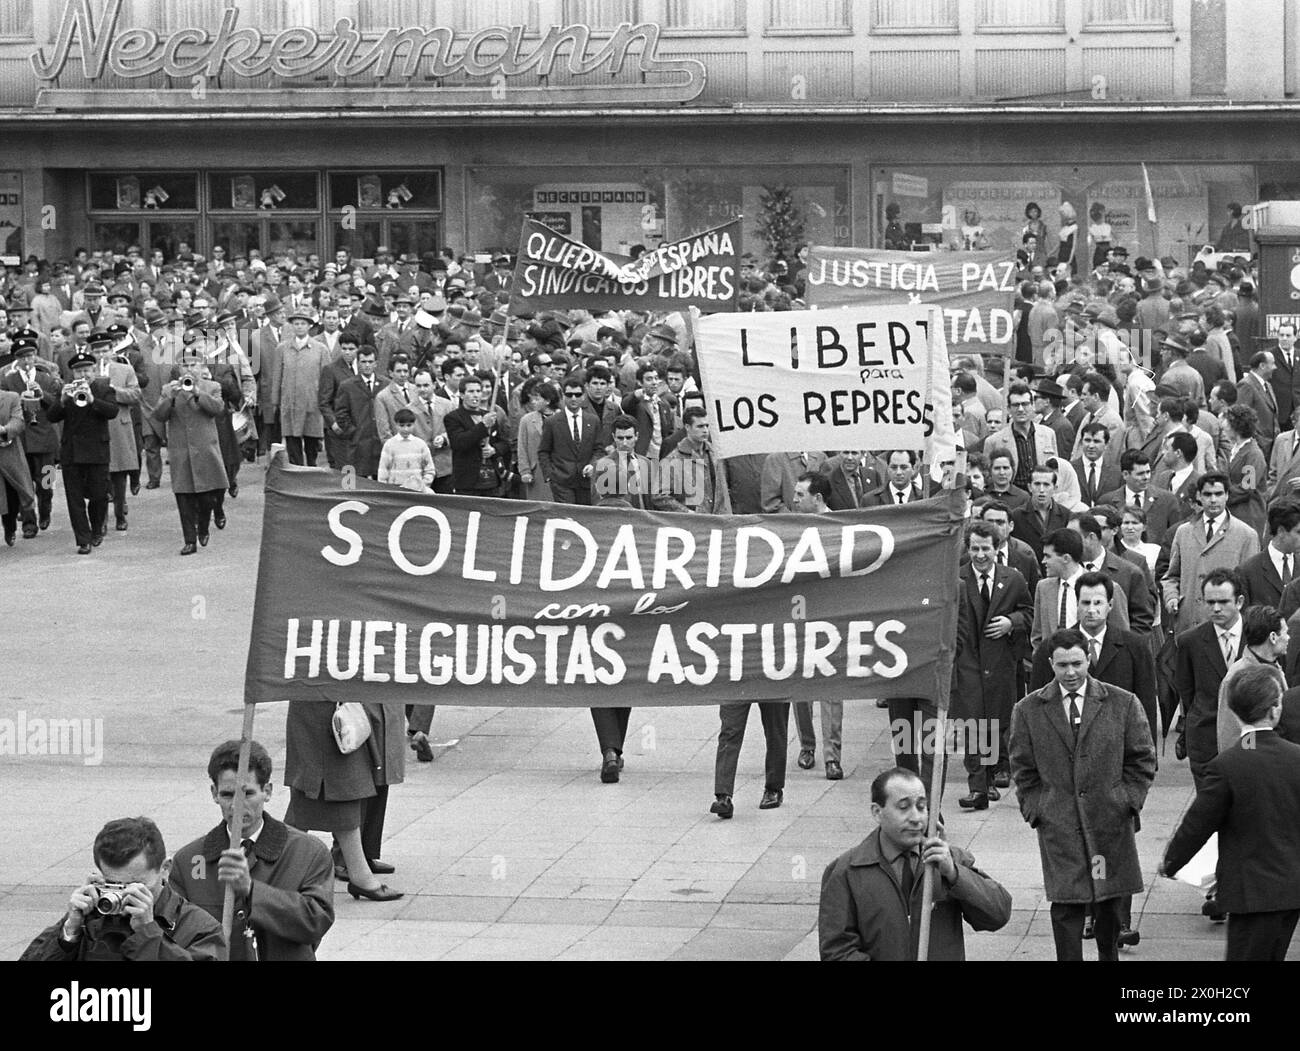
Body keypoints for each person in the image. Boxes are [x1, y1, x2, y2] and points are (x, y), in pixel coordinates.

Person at [1010, 628, 1156, 962]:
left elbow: (1143, 759)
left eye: (1077, 663)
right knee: (1065, 907)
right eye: (1062, 665)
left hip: (1107, 824)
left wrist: (1126, 801)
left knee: (1106, 903)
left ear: (1088, 658)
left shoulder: (1122, 703)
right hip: (1059, 826)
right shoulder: (1029, 710)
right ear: (1050, 664)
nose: (1071, 672)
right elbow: (1022, 767)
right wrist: (1037, 809)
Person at [1161, 663, 1300, 961]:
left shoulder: (1228, 765)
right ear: (1275, 710)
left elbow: (1197, 824)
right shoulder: (1296, 758)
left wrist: (1171, 862)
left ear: (1234, 713)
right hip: (1291, 889)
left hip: (1249, 892)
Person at [818, 767, 1012, 961]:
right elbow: (837, 951)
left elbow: (998, 914)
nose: (915, 818)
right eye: (903, 807)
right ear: (877, 812)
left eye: (921, 806)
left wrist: (954, 874)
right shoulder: (847, 872)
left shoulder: (949, 861)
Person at [169, 739, 335, 961]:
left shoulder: (307, 852)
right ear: (214, 793)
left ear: (267, 791)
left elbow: (316, 921)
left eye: (247, 794)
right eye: (227, 795)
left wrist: (251, 890)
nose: (236, 805)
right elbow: (175, 935)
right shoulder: (189, 860)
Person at [21, 816, 227, 961]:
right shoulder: (89, 920)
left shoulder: (200, 928)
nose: (123, 897)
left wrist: (148, 933)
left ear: (165, 869)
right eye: (112, 884)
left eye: (136, 886)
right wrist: (68, 933)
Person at [283, 700, 402, 903]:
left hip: (336, 700)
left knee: (338, 788)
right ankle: (274, 861)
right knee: (332, 787)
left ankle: (275, 862)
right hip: (324, 703)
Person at [952, 522, 1032, 811]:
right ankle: (978, 787)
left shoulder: (1013, 579)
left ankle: (991, 775)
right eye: (974, 548)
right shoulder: (957, 578)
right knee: (973, 726)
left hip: (1000, 665)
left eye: (986, 548)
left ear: (997, 549)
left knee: (996, 726)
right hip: (968, 664)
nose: (980, 555)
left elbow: (1028, 611)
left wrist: (1013, 622)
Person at [790, 472, 846, 780]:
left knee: (831, 687)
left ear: (818, 499)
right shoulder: (791, 528)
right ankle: (807, 744)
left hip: (832, 614)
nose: (795, 500)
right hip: (799, 612)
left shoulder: (840, 529)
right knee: (800, 683)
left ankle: (832, 756)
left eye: (800, 495)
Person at [1162, 472, 1261, 634]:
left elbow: (1251, 586)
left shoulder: (1246, 535)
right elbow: (1171, 576)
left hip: (1227, 627)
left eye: (1218, 494)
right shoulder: (1183, 532)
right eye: (1207, 494)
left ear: (1227, 495)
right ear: (1199, 496)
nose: (1213, 500)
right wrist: (1172, 597)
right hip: (1188, 625)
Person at [153, 346, 228, 555]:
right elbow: (159, 415)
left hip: (205, 448)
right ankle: (190, 539)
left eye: (193, 364)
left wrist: (197, 392)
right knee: (184, 496)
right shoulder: (169, 388)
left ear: (201, 365)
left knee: (207, 497)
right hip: (180, 450)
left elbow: (217, 409)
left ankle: (203, 526)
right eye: (184, 365)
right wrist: (171, 397)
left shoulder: (212, 386)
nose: (188, 369)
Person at [46, 348, 118, 553]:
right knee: (74, 498)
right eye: (79, 372)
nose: (83, 375)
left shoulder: (103, 387)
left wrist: (92, 400)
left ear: (94, 370)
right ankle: (83, 539)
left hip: (97, 450)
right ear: (72, 374)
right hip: (72, 452)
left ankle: (96, 530)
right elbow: (52, 417)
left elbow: (112, 412)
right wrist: (61, 400)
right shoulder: (67, 391)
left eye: (87, 370)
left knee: (98, 495)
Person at [1031, 528, 1130, 651]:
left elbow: (1122, 636)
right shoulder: (1043, 587)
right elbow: (1037, 636)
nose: (1043, 561)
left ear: (1066, 558)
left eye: (1047, 556)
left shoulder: (1107, 587)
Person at [1, 335, 58, 534]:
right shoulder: (8, 380)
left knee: (46, 484)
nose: (27, 361)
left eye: (31, 356)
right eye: (23, 357)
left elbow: (57, 407)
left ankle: (46, 509)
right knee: (24, 484)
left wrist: (41, 392)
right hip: (22, 441)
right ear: (17, 359)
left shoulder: (46, 378)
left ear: (35, 356)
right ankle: (28, 523)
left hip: (46, 440)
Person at [89, 330, 141, 532]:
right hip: (96, 426)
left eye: (105, 350)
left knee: (119, 476)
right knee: (100, 478)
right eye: (97, 351)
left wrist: (112, 390)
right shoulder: (87, 371)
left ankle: (120, 513)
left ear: (112, 350)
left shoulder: (124, 369)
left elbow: (135, 394)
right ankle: (101, 519)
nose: (102, 355)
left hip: (120, 426)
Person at [273, 307, 331, 467]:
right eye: (296, 323)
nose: (299, 326)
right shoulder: (282, 348)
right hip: (289, 403)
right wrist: (275, 401)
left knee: (312, 445)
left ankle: (311, 473)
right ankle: (296, 473)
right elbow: (277, 376)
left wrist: (325, 402)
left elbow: (327, 380)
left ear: (309, 326)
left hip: (312, 403)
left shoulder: (320, 349)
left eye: (303, 323)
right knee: (292, 443)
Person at [538, 377, 599, 504]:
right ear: (563, 396)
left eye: (577, 395)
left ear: (583, 396)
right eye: (569, 395)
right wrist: (549, 475)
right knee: (567, 518)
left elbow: (599, 448)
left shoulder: (593, 421)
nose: (573, 398)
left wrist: (592, 465)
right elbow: (543, 451)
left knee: (584, 518)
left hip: (586, 481)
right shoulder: (552, 422)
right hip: (561, 481)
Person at [444, 375, 508, 496]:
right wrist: (483, 425)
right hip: (468, 484)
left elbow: (504, 443)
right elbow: (459, 443)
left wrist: (494, 450)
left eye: (478, 391)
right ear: (462, 395)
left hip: (492, 481)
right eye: (471, 391)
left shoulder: (489, 416)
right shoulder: (453, 418)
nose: (476, 395)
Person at [333, 346, 387, 479]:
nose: (367, 365)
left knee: (379, 480)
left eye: (370, 362)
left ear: (376, 363)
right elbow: (341, 413)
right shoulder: (347, 386)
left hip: (379, 443)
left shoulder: (385, 384)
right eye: (363, 362)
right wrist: (352, 432)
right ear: (357, 363)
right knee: (352, 480)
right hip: (357, 443)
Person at [377, 407, 434, 491]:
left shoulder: (420, 444)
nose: (405, 429)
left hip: (417, 490)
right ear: (396, 425)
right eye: (402, 426)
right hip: (395, 489)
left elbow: (429, 469)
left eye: (409, 425)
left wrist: (422, 484)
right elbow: (383, 470)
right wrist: (384, 489)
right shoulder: (389, 445)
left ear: (414, 424)